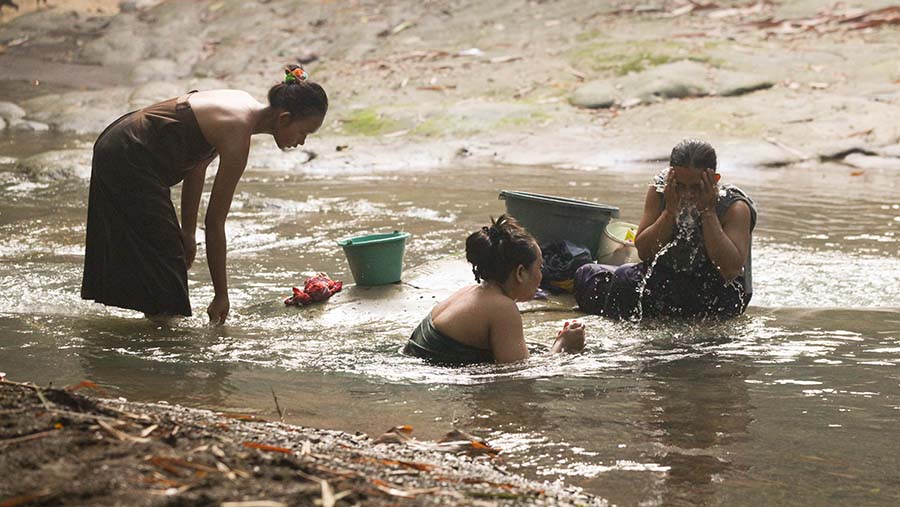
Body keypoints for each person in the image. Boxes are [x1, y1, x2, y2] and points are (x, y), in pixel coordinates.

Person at [81, 65, 327, 324]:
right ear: (284, 118)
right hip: (128, 153)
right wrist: (221, 295)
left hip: (120, 140)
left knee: (167, 252)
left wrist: (188, 232)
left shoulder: (242, 103)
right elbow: (214, 222)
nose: (301, 141)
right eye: (304, 132)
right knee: (166, 260)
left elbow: (197, 164)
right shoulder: (238, 132)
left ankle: (158, 328)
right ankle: (163, 341)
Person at [574, 139, 756, 320]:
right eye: (681, 186)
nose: (687, 195)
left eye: (695, 187)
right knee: (592, 276)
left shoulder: (735, 207)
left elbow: (730, 269)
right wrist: (669, 212)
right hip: (667, 283)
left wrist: (708, 212)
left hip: (716, 292)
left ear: (714, 180)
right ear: (671, 177)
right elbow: (645, 252)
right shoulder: (661, 191)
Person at [404, 215, 586, 365]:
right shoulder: (502, 308)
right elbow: (518, 374)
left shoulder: (470, 292)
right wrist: (562, 345)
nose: (542, 274)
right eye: (539, 267)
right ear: (520, 273)